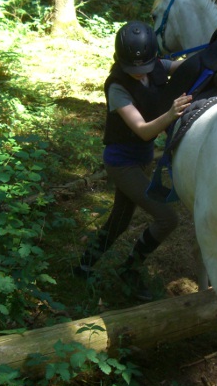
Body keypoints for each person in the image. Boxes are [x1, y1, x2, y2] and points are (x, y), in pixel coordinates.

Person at [74, 21, 192, 300]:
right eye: (132, 69)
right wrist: (171, 114)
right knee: (167, 218)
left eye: (145, 67)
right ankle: (129, 269)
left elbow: (188, 66)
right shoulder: (117, 86)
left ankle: (83, 266)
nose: (139, 74)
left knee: (120, 218)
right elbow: (143, 131)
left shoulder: (157, 66)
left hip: (142, 159)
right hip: (122, 164)